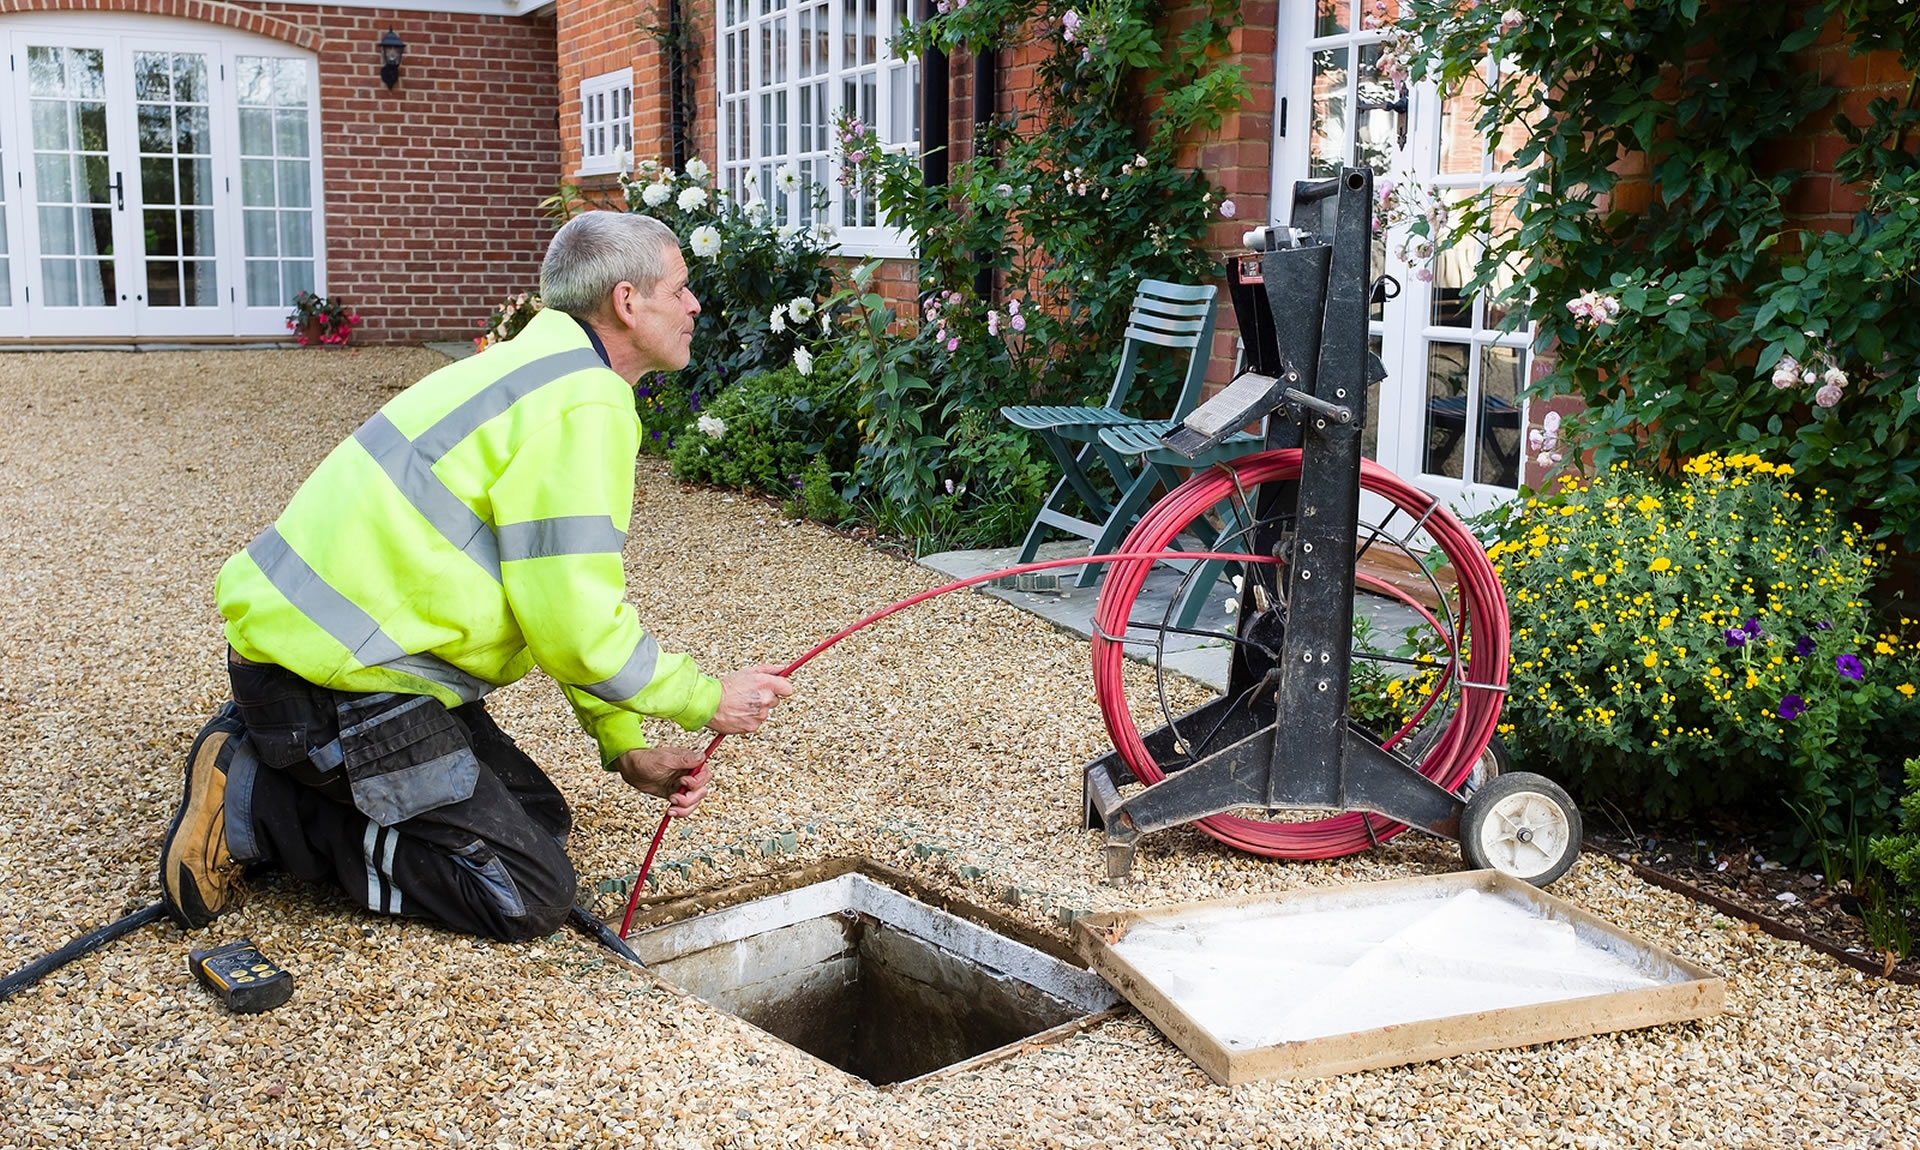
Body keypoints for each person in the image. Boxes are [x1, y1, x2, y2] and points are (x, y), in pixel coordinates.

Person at [158, 212, 795, 941]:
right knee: (522, 892)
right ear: (627, 302)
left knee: (540, 821)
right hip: (332, 688)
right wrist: (706, 699)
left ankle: (266, 749)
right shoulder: (584, 403)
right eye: (681, 290)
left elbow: (550, 602)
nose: (694, 307)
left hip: (328, 661)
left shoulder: (533, 371)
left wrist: (623, 743)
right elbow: (578, 629)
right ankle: (262, 802)